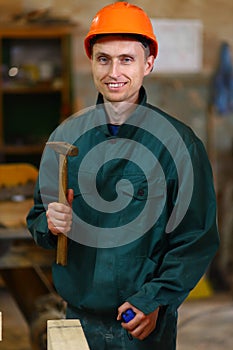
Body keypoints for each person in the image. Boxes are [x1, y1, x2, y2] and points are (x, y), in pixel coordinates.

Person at [27, 2, 220, 349]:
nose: (113, 71)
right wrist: (50, 224)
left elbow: (196, 239)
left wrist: (155, 300)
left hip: (143, 322)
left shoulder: (179, 145)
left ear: (148, 63)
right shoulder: (65, 137)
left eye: (126, 59)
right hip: (78, 317)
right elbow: (39, 220)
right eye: (103, 59)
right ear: (91, 62)